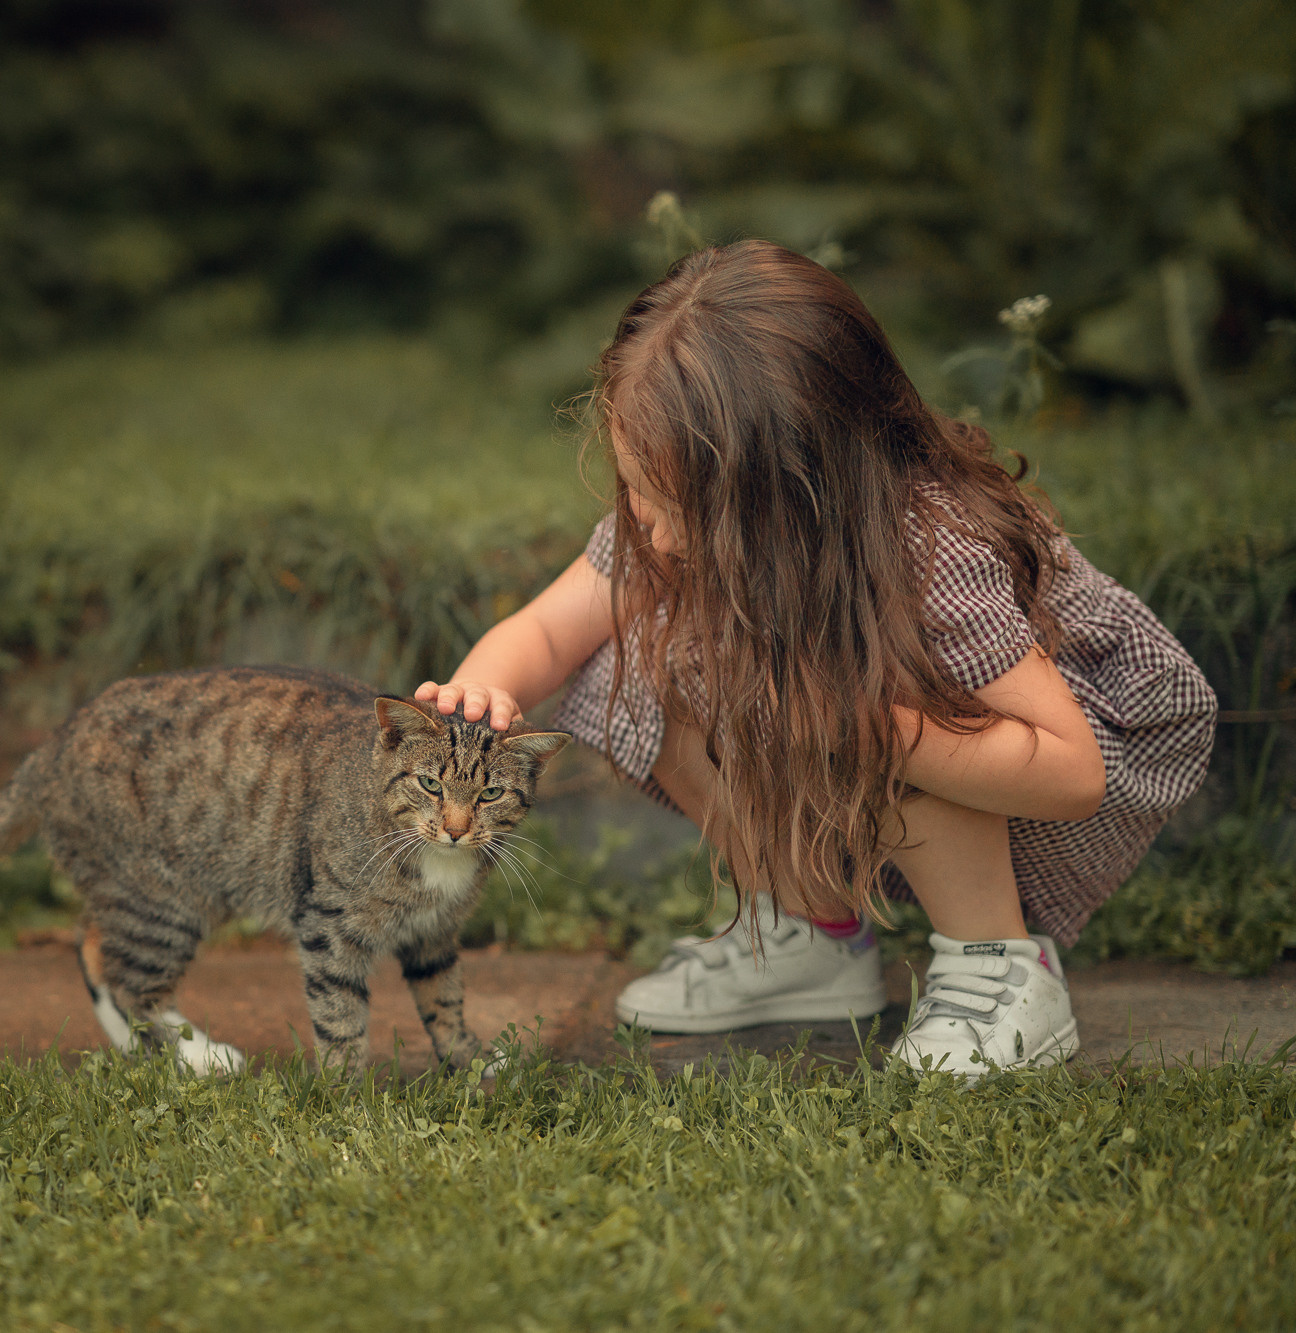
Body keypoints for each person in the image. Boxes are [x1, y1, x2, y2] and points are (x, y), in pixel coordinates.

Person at [418, 241, 1217, 1076]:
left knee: (881, 682)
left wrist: (873, 729)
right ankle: (809, 933)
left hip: (1067, 764)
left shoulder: (930, 553)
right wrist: (480, 692)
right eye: (634, 486)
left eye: (664, 499)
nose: (642, 522)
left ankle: (1002, 966)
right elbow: (550, 633)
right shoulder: (687, 524)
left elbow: (1073, 773)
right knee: (637, 653)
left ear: (778, 493)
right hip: (876, 729)